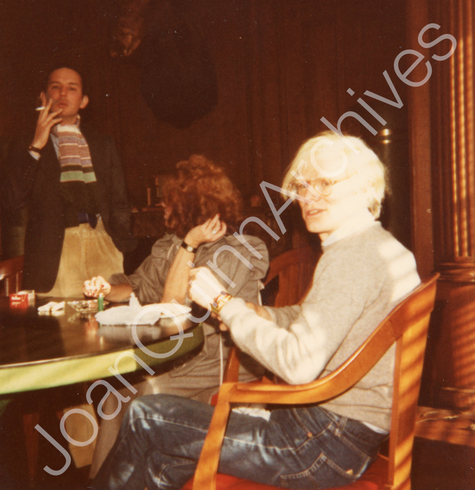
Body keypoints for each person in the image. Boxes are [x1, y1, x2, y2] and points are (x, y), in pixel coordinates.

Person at [91, 131, 421, 490]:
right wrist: (260, 313)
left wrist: (224, 305)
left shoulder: (351, 258)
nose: (308, 196)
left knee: (144, 415)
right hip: (343, 437)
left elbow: (298, 364)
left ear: (362, 188)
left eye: (324, 184)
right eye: (303, 185)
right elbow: (324, 318)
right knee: (160, 463)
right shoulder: (377, 248)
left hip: (317, 445)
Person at [83, 155, 269, 479]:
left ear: (189, 207)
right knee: (116, 395)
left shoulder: (242, 249)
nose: (163, 209)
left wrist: (190, 244)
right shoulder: (168, 245)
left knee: (150, 387)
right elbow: (137, 286)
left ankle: (135, 480)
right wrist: (105, 289)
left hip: (218, 361)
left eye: (169, 203)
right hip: (182, 357)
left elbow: (172, 308)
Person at [1, 65, 135, 297]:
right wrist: (36, 146)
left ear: (83, 101)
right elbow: (11, 202)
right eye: (56, 87)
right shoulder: (24, 145)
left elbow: (120, 202)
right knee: (61, 329)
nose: (63, 94)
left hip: (102, 242)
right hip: (54, 254)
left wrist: (118, 243)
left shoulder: (103, 144)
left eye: (71, 88)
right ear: (43, 97)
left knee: (110, 325)